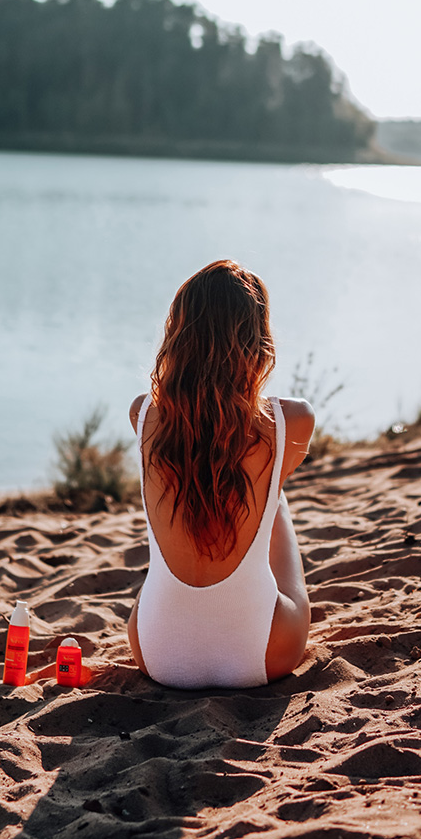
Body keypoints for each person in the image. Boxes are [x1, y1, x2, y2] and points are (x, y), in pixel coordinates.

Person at [127, 260, 314, 688]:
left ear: (179, 336)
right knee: (274, 496)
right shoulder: (293, 420)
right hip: (264, 652)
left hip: (155, 651)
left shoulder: (142, 415)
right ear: (257, 342)